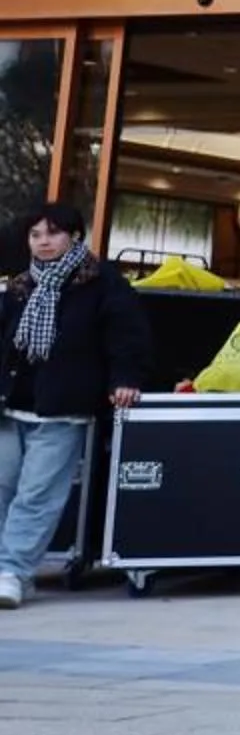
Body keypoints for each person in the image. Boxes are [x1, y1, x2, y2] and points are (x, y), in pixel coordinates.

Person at [0, 203, 148, 610]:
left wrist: (124, 379)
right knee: (2, 487)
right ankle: (6, 569)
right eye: (35, 235)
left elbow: (126, 337)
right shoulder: (19, 286)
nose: (44, 242)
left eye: (53, 233)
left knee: (37, 493)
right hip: (12, 405)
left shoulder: (102, 283)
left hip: (63, 405)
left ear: (74, 236)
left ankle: (12, 571)